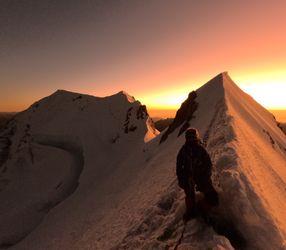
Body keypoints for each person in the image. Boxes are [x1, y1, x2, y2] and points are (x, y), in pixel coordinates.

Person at [176, 128, 219, 221]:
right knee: (212, 198)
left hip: (196, 177)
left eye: (192, 138)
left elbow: (179, 168)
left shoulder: (185, 151)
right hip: (194, 178)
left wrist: (183, 179)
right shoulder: (197, 150)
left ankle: (196, 209)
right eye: (190, 138)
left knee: (196, 198)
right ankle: (198, 209)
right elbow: (208, 164)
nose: (191, 140)